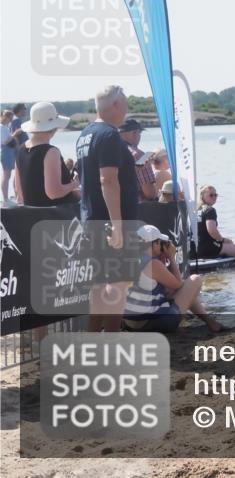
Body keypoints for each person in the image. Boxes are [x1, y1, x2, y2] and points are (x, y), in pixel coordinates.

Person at [76, 85, 141, 332]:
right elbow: (107, 180)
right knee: (118, 284)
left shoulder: (85, 134)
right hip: (110, 222)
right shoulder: (109, 134)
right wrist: (117, 225)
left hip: (91, 219)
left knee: (101, 285)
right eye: (125, 102)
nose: (126, 107)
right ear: (116, 105)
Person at [123, 224, 222, 333]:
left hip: (130, 322)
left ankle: (210, 322)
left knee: (181, 289)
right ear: (155, 243)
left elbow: (169, 285)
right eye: (160, 243)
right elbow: (178, 284)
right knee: (195, 280)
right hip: (148, 325)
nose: (162, 246)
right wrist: (171, 257)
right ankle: (211, 322)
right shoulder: (152, 264)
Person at [13, 102, 79, 207]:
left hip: (32, 216)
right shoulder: (51, 152)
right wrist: (74, 184)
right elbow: (54, 193)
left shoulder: (21, 149)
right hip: (54, 216)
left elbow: (19, 192)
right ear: (54, 127)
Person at [194, 184, 235, 265]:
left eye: (215, 195)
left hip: (195, 249)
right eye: (211, 195)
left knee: (227, 243)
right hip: (208, 247)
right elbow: (212, 230)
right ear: (202, 196)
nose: (214, 197)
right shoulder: (210, 210)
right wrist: (223, 240)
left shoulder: (194, 210)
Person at [119, 119, 157, 201]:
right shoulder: (139, 156)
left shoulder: (109, 153)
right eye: (138, 132)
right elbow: (149, 193)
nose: (138, 136)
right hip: (137, 208)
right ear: (134, 133)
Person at [0, 110, 15, 204]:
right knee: (6, 176)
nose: (11, 120)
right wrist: (14, 135)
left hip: (7, 151)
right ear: (6, 117)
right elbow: (4, 141)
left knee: (7, 175)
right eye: (10, 118)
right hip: (5, 151)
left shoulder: (5, 127)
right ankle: (5, 199)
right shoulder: (2, 127)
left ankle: (6, 198)